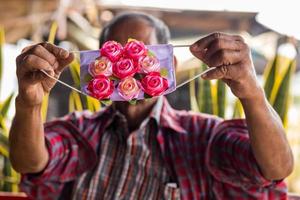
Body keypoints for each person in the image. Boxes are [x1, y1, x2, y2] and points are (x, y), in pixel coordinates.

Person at [9, 12, 293, 200]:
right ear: (97, 66)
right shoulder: (80, 130)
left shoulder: (202, 135)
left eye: (142, 55)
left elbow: (275, 169)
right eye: (117, 58)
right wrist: (29, 104)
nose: (128, 71)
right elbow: (31, 163)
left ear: (170, 65)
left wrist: (252, 93)